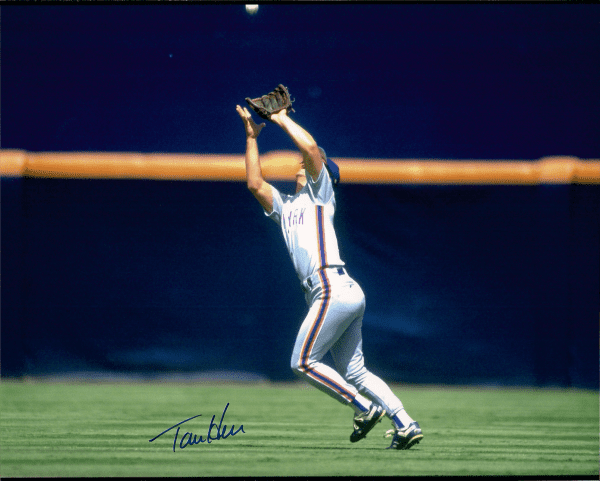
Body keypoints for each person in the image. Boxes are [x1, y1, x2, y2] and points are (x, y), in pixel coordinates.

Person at [235, 103, 423, 450]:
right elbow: (254, 183)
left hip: (330, 288)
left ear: (322, 172)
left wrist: (280, 119)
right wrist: (251, 137)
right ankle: (406, 423)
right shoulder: (286, 206)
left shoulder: (321, 195)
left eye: (312, 163)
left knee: (302, 362)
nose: (303, 163)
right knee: (356, 372)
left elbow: (309, 148)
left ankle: (364, 407)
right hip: (339, 290)